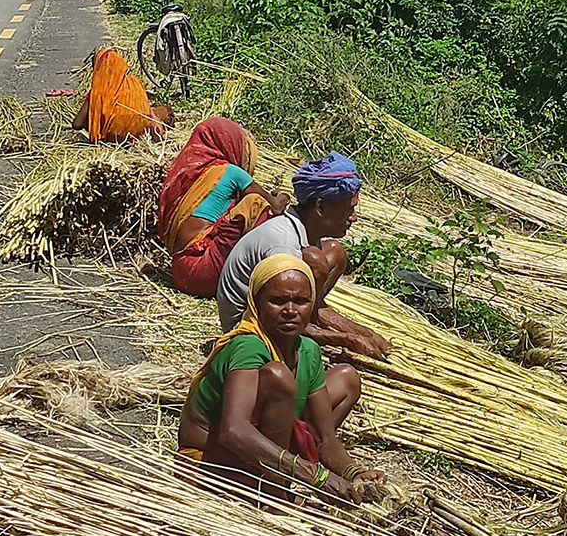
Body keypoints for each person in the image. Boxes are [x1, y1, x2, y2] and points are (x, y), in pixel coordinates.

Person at [178, 254, 386, 505]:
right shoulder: (248, 346)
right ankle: (272, 492)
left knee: (346, 377)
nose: (290, 311)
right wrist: (315, 475)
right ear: (256, 304)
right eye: (277, 301)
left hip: (263, 449)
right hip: (211, 464)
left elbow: (324, 437)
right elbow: (234, 431)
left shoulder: (308, 350)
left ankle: (279, 471)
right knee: (279, 377)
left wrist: (354, 473)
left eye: (301, 301)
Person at [216, 152, 391, 359]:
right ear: (321, 207)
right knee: (316, 261)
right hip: (250, 330)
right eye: (349, 209)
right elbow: (278, 316)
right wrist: (347, 340)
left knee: (334, 252)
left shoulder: (307, 233)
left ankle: (313, 327)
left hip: (280, 311)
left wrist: (366, 333)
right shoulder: (283, 245)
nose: (353, 217)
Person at [159, 117, 289, 297]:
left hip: (179, 272)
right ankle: (271, 274)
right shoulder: (230, 171)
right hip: (205, 273)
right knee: (253, 204)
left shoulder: (183, 172)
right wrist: (284, 194)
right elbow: (275, 207)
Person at [71, 48, 174, 143]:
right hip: (139, 135)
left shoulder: (97, 93)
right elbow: (144, 110)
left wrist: (93, 117)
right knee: (161, 111)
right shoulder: (134, 83)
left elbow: (77, 124)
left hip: (112, 139)